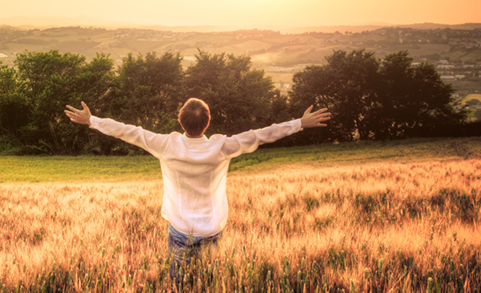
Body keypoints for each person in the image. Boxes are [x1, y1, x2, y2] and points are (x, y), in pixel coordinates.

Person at [64, 97, 331, 289]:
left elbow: (128, 132)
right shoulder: (222, 146)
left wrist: (92, 120)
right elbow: (261, 135)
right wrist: (300, 123)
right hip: (212, 228)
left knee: (179, 283)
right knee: (209, 281)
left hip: (180, 227)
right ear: (208, 123)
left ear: (181, 121)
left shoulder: (166, 145)